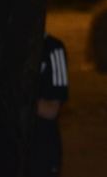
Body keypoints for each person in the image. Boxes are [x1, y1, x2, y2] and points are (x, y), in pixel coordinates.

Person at [29, 33, 69, 177]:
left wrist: (19, 101)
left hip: (41, 151)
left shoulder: (52, 49)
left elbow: (51, 110)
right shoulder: (5, 47)